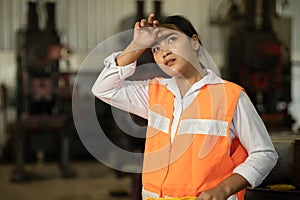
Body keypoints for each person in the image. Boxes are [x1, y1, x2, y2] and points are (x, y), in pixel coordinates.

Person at [92, 13, 278, 200]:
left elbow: (264, 153)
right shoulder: (154, 93)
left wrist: (224, 189)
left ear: (194, 42)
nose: (164, 52)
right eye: (156, 48)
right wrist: (137, 45)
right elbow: (103, 88)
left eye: (172, 39)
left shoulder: (230, 97)